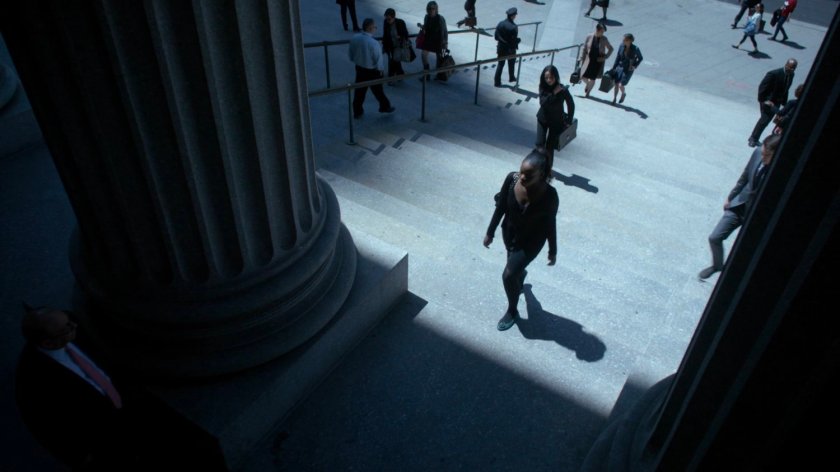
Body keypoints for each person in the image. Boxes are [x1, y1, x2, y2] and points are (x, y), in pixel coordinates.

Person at [15, 304, 132, 469]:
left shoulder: (70, 326)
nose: (74, 325)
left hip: (127, 407)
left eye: (69, 321)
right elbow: (43, 425)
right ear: (48, 343)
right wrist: (80, 457)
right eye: (67, 328)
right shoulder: (32, 378)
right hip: (101, 437)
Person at [484, 150, 558, 331]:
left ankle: (512, 310)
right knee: (514, 270)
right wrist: (490, 232)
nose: (522, 177)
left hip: (531, 242)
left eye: (529, 175)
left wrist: (552, 250)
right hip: (509, 234)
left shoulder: (550, 195)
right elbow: (501, 207)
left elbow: (550, 224)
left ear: (541, 174)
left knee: (508, 275)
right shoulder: (512, 179)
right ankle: (520, 274)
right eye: (521, 171)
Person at [698, 134, 781, 280]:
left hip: (757, 214)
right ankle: (717, 266)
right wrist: (731, 197)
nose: (763, 158)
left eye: (767, 156)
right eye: (763, 153)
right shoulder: (758, 152)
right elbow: (745, 176)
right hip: (740, 204)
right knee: (715, 237)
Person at [349, 18, 396, 119]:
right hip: (372, 71)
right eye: (374, 27)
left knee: (359, 91)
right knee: (378, 89)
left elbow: (351, 53)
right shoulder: (373, 43)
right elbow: (378, 59)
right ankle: (385, 106)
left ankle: (357, 111)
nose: (375, 28)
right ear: (370, 28)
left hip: (359, 68)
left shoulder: (355, 38)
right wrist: (381, 70)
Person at [748, 58, 796, 147]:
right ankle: (753, 138)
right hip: (768, 101)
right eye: (790, 67)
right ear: (786, 65)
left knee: (766, 120)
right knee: (764, 120)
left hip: (777, 102)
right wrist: (763, 100)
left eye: (793, 68)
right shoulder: (774, 74)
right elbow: (762, 87)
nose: (792, 70)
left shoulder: (791, 75)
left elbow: (786, 89)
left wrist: (784, 104)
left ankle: (754, 138)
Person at [536, 65, 574, 173]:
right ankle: (538, 166)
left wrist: (569, 120)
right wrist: (553, 93)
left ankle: (547, 170)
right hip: (543, 119)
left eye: (551, 77)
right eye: (546, 78)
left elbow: (571, 104)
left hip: (556, 122)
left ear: (556, 77)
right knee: (539, 143)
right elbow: (543, 103)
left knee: (550, 147)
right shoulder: (543, 87)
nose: (548, 80)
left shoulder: (563, 89)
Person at [579, 22, 613, 97]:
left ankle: (588, 92)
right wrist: (581, 57)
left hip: (598, 61)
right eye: (602, 31)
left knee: (592, 78)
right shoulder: (589, 36)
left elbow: (611, 49)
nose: (602, 33)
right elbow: (584, 47)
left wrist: (606, 57)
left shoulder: (604, 39)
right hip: (588, 60)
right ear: (597, 30)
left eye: (603, 32)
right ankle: (588, 84)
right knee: (582, 76)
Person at [418, 1, 448, 82]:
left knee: (439, 58)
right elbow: (426, 27)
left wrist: (445, 43)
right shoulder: (426, 17)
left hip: (438, 41)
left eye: (433, 9)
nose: (431, 10)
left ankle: (440, 75)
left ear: (436, 9)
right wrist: (422, 27)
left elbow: (445, 31)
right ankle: (427, 74)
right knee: (423, 55)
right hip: (428, 40)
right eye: (429, 9)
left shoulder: (440, 18)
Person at [610, 33, 643, 104]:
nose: (623, 41)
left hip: (628, 69)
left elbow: (640, 58)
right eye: (623, 39)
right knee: (616, 83)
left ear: (630, 41)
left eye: (625, 40)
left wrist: (635, 66)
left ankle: (623, 94)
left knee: (621, 84)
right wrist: (614, 67)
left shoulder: (635, 49)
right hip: (620, 67)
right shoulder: (621, 46)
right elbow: (618, 57)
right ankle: (614, 99)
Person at [494, 7, 520, 87]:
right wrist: (518, 40)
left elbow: (496, 37)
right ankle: (511, 77)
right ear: (512, 16)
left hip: (501, 48)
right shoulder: (514, 27)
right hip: (510, 50)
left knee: (500, 65)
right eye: (515, 15)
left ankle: (497, 81)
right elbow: (513, 41)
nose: (515, 16)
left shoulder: (500, 23)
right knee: (511, 64)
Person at [382, 8, 410, 81]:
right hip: (390, 45)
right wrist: (384, 45)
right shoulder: (386, 22)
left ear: (393, 17)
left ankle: (393, 76)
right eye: (386, 18)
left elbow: (406, 34)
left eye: (389, 19)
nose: (387, 20)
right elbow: (385, 34)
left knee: (394, 61)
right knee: (393, 61)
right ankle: (398, 74)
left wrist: (400, 37)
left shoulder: (400, 22)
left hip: (398, 46)